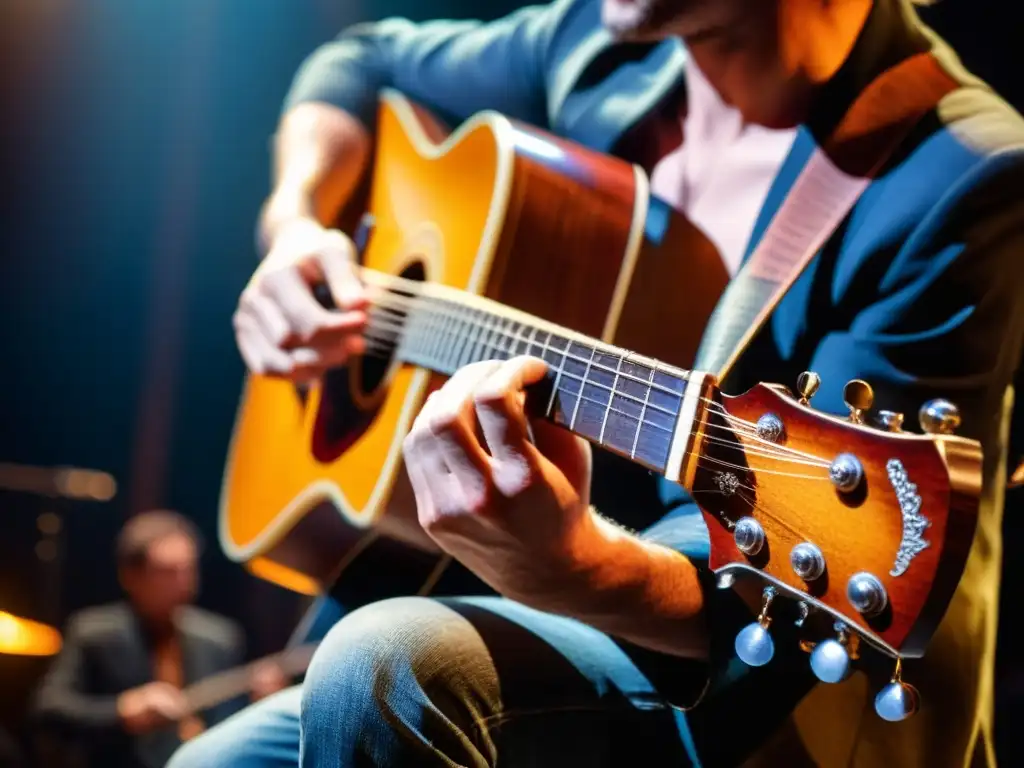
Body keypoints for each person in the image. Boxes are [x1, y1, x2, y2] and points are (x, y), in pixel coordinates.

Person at [174, 0, 1024, 765]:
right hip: (504, 593)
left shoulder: (961, 175)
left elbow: (815, 574)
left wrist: (576, 565)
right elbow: (357, 65)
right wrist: (295, 224)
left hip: (753, 682)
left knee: (384, 664)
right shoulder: (595, 41)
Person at [33, 510, 288, 767]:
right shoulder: (93, 632)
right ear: (131, 576)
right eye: (167, 572)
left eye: (187, 570)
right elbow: (49, 709)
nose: (183, 584)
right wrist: (122, 711)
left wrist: (259, 702)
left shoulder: (219, 638)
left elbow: (226, 723)